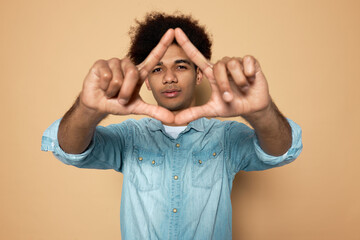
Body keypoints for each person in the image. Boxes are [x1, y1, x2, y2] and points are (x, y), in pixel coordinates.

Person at [41, 12, 303, 240]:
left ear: (199, 74)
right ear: (145, 81)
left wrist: (261, 112)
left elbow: (280, 151)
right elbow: (70, 150)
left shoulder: (225, 137)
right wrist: (88, 110)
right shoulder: (130, 137)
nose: (168, 78)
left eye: (180, 66)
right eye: (157, 70)